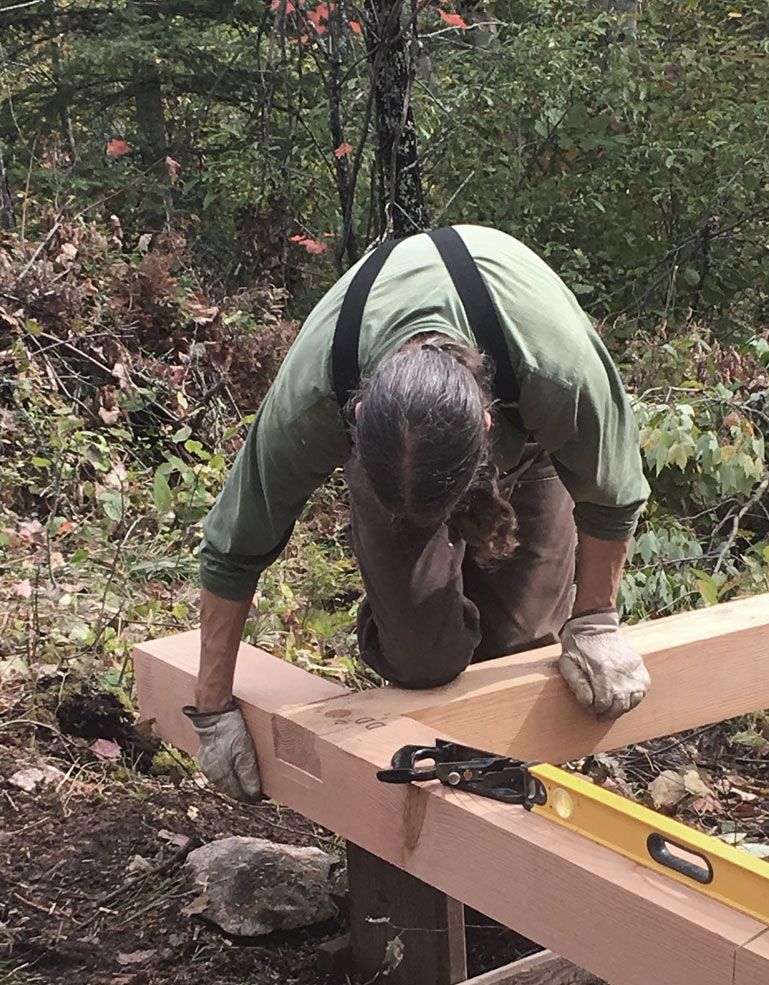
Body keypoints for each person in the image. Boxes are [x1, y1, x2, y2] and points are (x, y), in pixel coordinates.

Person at [183, 225, 651, 802]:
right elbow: (234, 546)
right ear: (354, 415)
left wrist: (596, 622)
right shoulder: (313, 396)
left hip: (523, 438)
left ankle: (504, 809)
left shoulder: (555, 371)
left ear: (484, 426)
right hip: (396, 450)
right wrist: (212, 710)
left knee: (523, 653)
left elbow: (614, 495)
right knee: (420, 658)